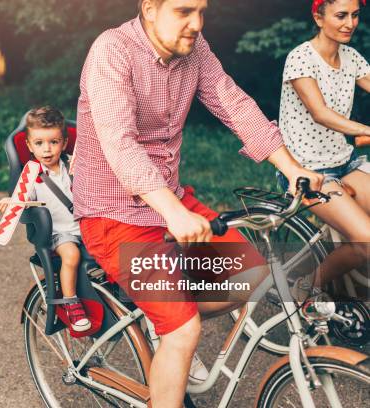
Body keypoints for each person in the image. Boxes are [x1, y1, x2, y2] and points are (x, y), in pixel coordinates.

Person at [73, 0, 323, 406]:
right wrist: (171, 210)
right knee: (184, 331)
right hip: (114, 212)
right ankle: (172, 329)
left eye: (202, 11)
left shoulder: (194, 49)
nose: (196, 23)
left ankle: (166, 320)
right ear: (150, 8)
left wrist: (292, 168)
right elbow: (120, 144)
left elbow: (234, 104)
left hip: (172, 202)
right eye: (184, 11)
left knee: (253, 280)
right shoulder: (112, 50)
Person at [278, 0, 370, 298]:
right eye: (341, 15)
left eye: (355, 15)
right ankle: (304, 287)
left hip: (345, 163)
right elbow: (321, 113)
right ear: (319, 18)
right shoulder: (301, 58)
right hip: (307, 171)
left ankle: (352, 282)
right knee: (365, 241)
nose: (350, 23)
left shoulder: (351, 57)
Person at [0, 106, 91, 332]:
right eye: (39, 143)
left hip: (85, 225)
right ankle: (71, 302)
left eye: (53, 142)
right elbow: (22, 198)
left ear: (64, 143)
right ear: (29, 146)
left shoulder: (73, 163)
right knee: (71, 255)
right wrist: (10, 202)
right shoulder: (31, 174)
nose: (47, 149)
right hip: (58, 232)